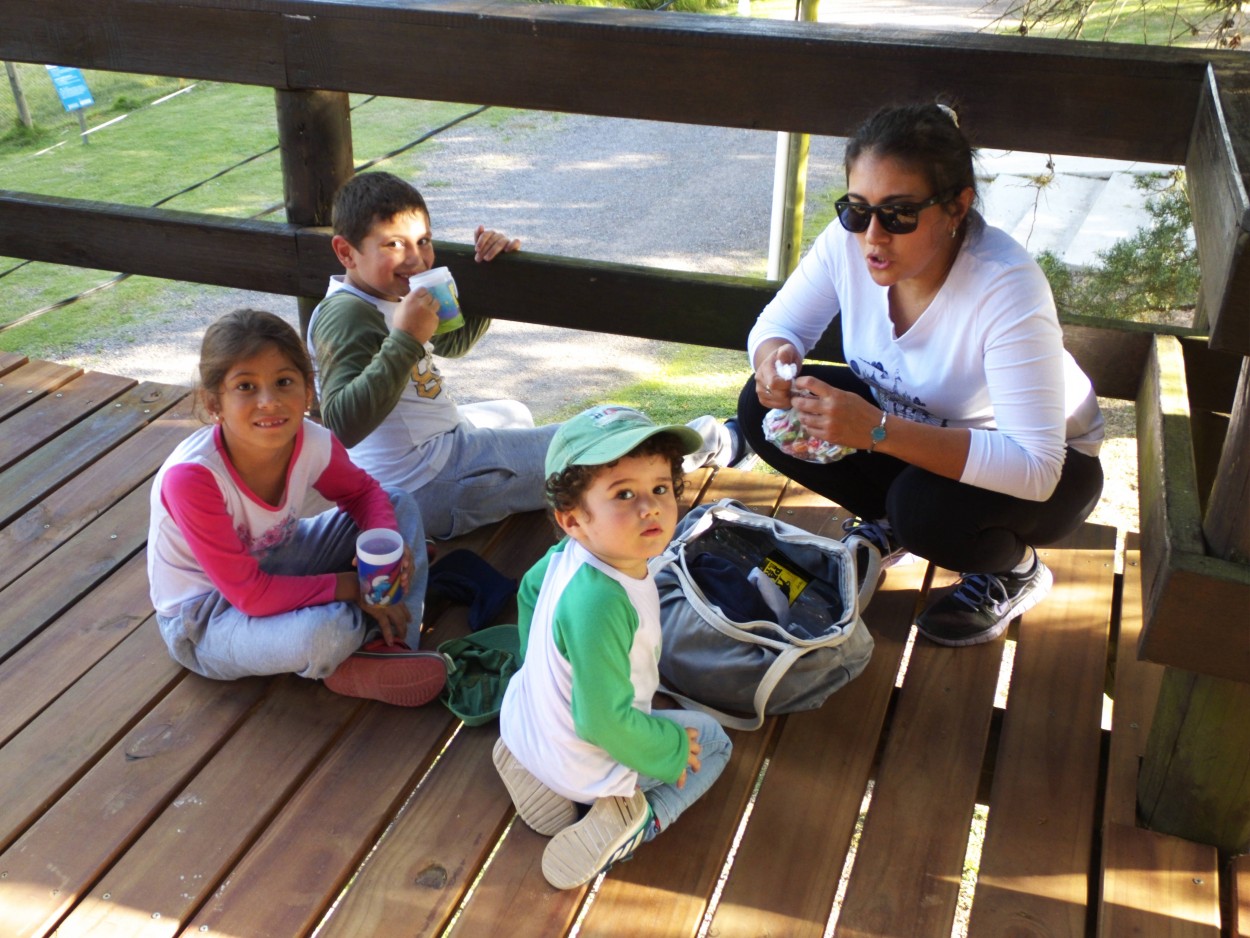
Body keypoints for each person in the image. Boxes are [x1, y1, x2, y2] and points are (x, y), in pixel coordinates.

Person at [737, 101, 1105, 648]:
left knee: (923, 510)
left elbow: (1036, 467)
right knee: (759, 406)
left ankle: (1015, 570)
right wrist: (775, 361)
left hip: (1048, 466)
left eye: (899, 213)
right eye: (857, 210)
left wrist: (877, 431)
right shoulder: (849, 243)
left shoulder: (1005, 286)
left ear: (958, 206)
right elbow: (780, 324)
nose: (872, 237)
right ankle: (892, 522)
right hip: (913, 426)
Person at [307, 171, 746, 542]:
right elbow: (343, 425)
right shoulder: (347, 316)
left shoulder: (389, 291)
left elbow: (453, 341)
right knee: (613, 437)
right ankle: (716, 441)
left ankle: (523, 478)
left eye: (423, 240)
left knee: (514, 411)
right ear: (346, 252)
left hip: (432, 456)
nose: (417, 258)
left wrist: (493, 276)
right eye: (393, 245)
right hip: (426, 485)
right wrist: (404, 338)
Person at [146, 309, 446, 706]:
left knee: (396, 503)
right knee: (325, 632)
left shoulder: (312, 441)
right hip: (207, 617)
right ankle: (349, 647)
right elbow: (251, 596)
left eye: (284, 382)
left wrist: (385, 554)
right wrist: (357, 586)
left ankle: (392, 646)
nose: (269, 402)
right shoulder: (194, 479)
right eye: (246, 386)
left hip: (277, 553)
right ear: (214, 402)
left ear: (308, 391)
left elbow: (364, 494)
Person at [493, 405, 733, 890]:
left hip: (524, 722)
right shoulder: (603, 602)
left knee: (558, 713)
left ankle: (525, 762)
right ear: (573, 519)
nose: (650, 507)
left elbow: (528, 593)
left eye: (660, 488)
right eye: (624, 494)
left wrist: (538, 671)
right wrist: (666, 751)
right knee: (712, 743)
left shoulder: (567, 554)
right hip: (587, 754)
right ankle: (632, 821)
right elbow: (602, 721)